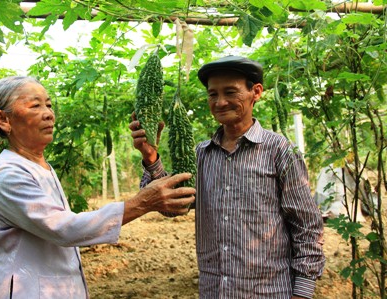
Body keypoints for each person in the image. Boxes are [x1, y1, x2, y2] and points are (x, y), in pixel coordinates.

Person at [0, 76, 196, 299]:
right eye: (35, 105)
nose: (49, 114)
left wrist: (150, 158)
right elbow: (64, 228)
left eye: (49, 104)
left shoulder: (38, 166)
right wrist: (142, 202)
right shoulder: (6, 173)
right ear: (3, 119)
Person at [129, 56, 326, 299]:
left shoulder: (280, 151)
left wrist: (303, 292)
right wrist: (151, 158)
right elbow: (174, 207)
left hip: (269, 293)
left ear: (256, 92)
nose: (220, 102)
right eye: (213, 94)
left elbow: (306, 225)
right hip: (214, 292)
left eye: (230, 92)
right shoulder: (200, 155)